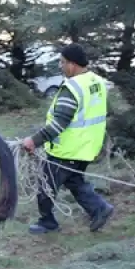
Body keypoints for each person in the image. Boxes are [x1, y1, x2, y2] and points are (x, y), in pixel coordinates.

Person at [22, 43, 115, 234]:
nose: (60, 66)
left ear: (72, 64)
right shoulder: (96, 81)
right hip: (87, 147)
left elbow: (59, 124)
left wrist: (34, 140)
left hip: (68, 149)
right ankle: (99, 209)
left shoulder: (72, 88)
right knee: (74, 181)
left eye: (62, 62)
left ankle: (47, 222)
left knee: (45, 184)